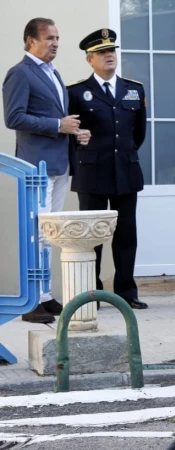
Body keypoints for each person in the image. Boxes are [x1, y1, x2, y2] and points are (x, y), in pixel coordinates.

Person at [3, 18, 83, 324]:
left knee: (50, 234)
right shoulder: (20, 73)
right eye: (49, 38)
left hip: (59, 163)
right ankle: (32, 300)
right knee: (36, 234)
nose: (56, 43)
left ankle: (46, 296)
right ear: (30, 40)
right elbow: (14, 117)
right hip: (35, 166)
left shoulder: (54, 73)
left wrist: (72, 130)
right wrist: (56, 125)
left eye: (58, 38)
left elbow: (56, 115)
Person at [68, 28, 148, 309]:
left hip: (125, 170)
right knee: (93, 237)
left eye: (112, 51)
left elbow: (138, 134)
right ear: (90, 59)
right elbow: (72, 134)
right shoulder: (76, 92)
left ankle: (127, 292)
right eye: (102, 52)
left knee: (126, 234)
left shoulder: (133, 89)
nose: (109, 56)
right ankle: (93, 294)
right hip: (91, 173)